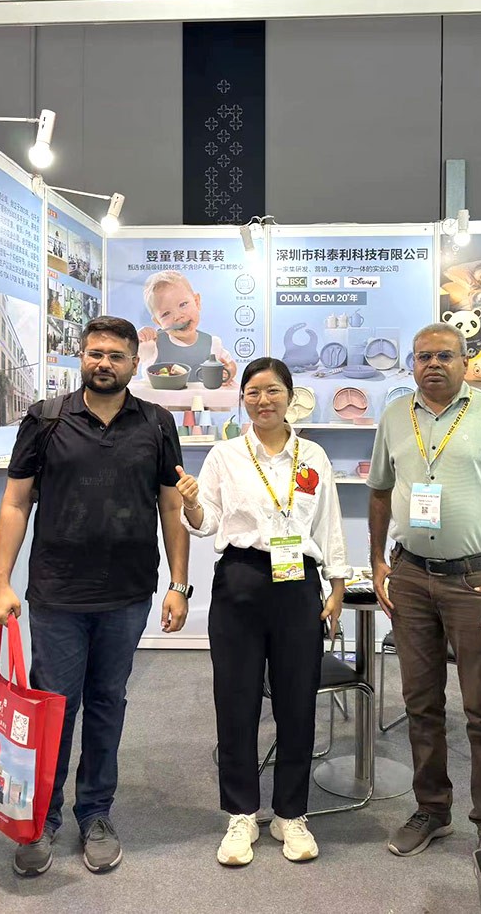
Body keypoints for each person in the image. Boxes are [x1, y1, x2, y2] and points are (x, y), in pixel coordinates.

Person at [0, 316, 191, 878]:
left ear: (134, 363)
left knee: (107, 703)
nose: (104, 363)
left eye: (116, 355)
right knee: (54, 707)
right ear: (81, 356)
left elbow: (171, 506)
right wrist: (0, 582)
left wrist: (179, 585)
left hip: (127, 593)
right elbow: (15, 503)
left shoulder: (156, 423)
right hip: (57, 593)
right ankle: (41, 819)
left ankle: (96, 813)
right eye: (95, 353)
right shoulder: (46, 419)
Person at [368, 322, 481, 856]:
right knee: (421, 702)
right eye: (423, 357)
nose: (433, 365)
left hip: (478, 580)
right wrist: (377, 560)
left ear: (465, 362)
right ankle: (432, 809)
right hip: (411, 578)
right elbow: (379, 491)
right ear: (412, 364)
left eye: (445, 356)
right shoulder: (395, 416)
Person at [175, 357, 349, 867]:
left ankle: (291, 813)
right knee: (236, 699)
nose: (263, 400)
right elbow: (206, 523)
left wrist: (337, 584)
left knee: (297, 700)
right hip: (241, 580)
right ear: (243, 399)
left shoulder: (312, 455)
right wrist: (191, 504)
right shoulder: (225, 455)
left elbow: (329, 523)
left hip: (298, 584)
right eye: (253, 392)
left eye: (273, 390)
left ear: (289, 396)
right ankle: (241, 813)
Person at [137, 270, 237, 380]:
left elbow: (230, 364)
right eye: (166, 314)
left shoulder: (212, 344)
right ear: (158, 322)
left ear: (197, 302)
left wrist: (228, 372)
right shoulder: (153, 345)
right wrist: (141, 338)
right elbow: (132, 357)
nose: (178, 316)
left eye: (183, 304)